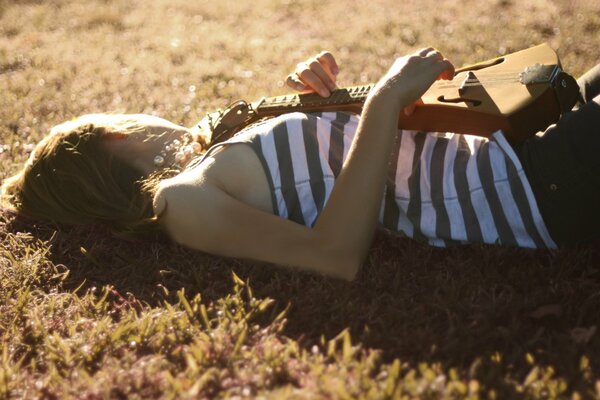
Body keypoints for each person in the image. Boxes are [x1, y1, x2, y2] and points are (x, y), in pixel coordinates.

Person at [1, 48, 599, 281]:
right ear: (112, 137)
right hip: (528, 189)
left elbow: (340, 168)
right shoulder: (181, 202)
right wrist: (386, 100)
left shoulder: (217, 154)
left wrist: (324, 105)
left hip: (510, 149)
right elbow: (334, 255)